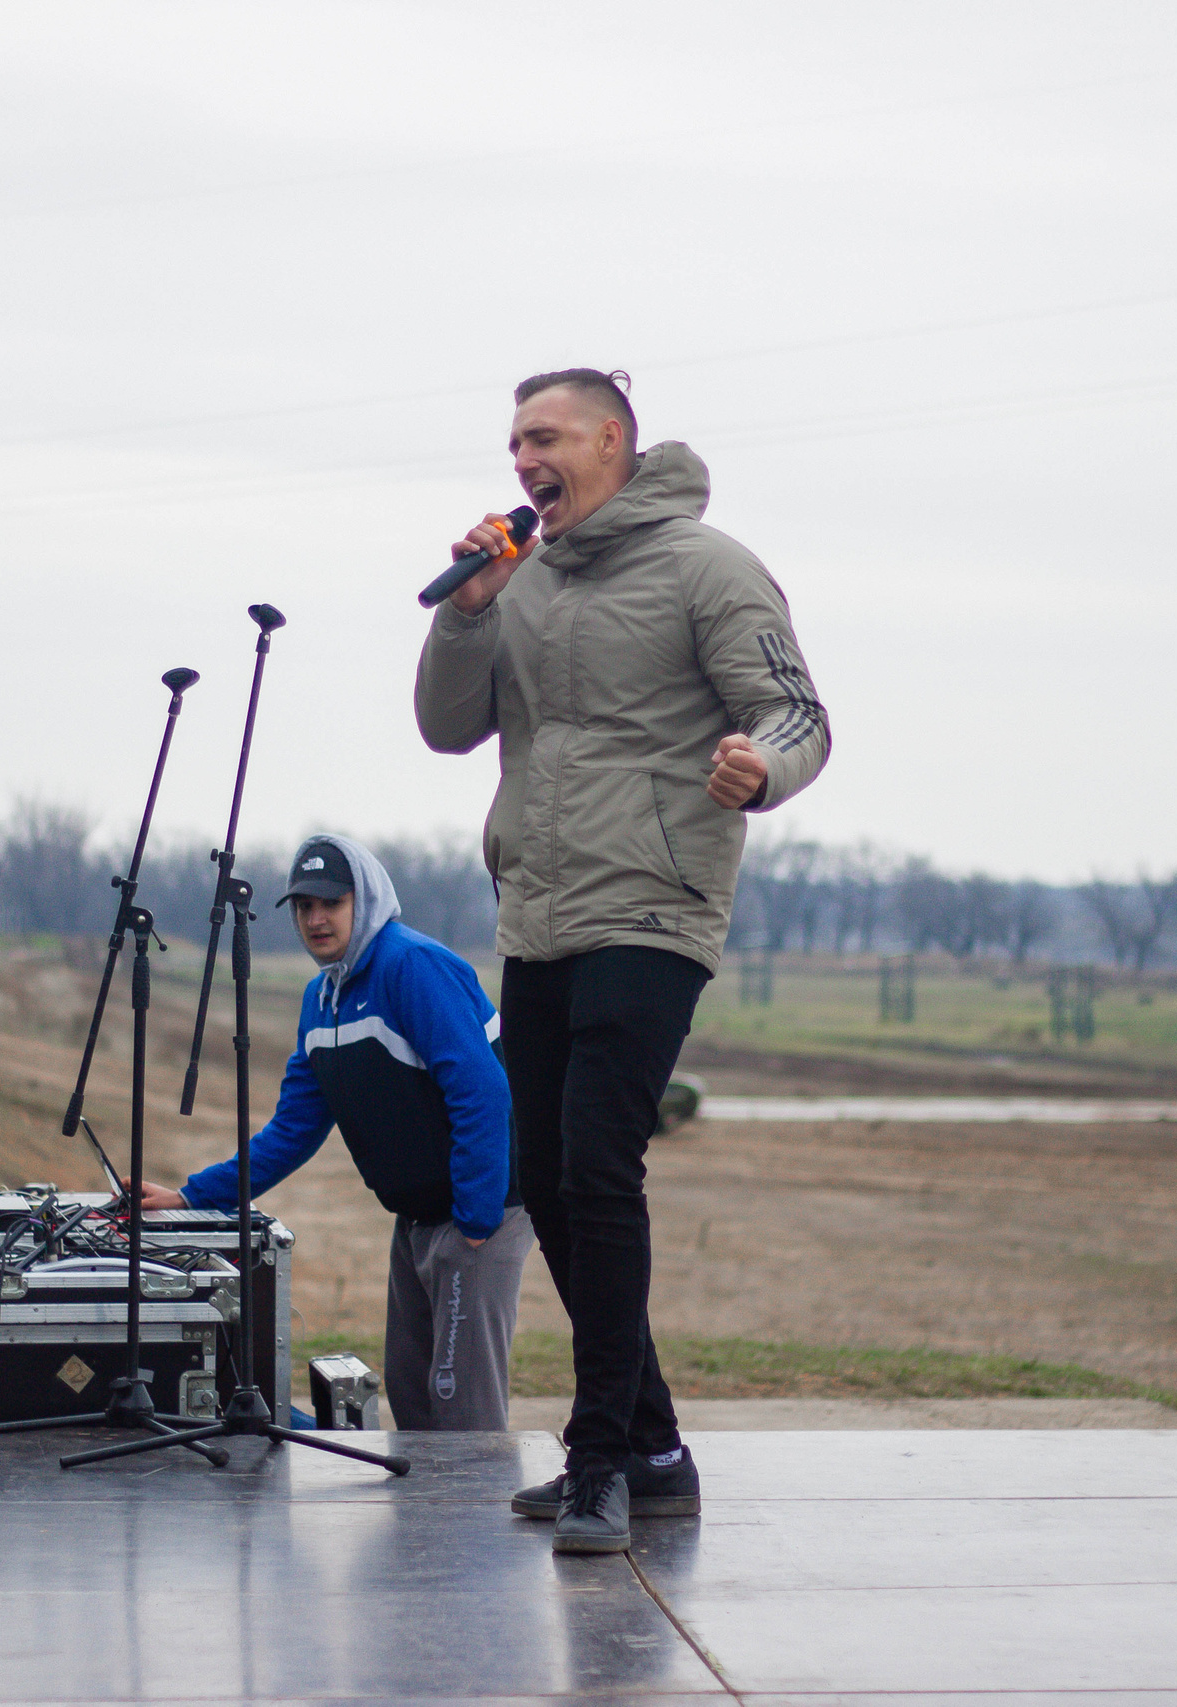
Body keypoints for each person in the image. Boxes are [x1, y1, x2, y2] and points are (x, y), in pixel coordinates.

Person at [415, 368, 830, 1553]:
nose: (520, 460)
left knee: (597, 1168)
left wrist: (763, 765)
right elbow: (449, 728)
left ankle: (596, 1460)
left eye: (541, 437)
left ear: (611, 441)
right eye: (510, 443)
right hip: (538, 912)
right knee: (543, 1180)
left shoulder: (708, 568)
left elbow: (799, 711)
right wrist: (470, 609)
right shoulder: (523, 577)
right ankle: (653, 1449)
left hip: (654, 905)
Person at [128, 835, 533, 1431]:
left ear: (362, 900)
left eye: (330, 903)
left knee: (462, 1410)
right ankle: (426, 1527)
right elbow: (292, 1131)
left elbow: (483, 1091)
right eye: (303, 907)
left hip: (481, 1213)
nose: (316, 919)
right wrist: (193, 1196)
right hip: (418, 1218)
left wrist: (475, 1221)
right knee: (414, 1399)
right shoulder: (322, 1001)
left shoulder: (410, 966)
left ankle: (474, 1526)